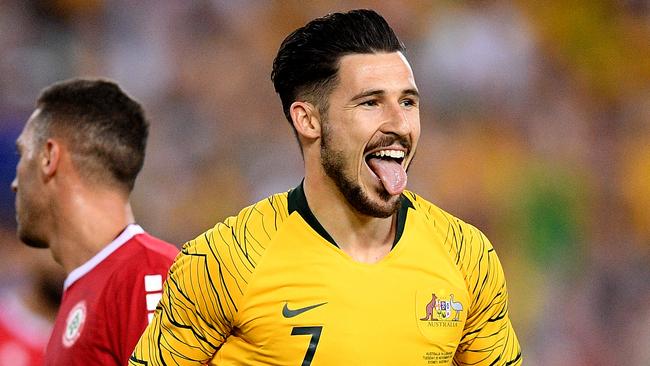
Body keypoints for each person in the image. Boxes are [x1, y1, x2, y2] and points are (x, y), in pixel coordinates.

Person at [130, 9, 521, 365]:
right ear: (308, 120)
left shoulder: (467, 256)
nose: (400, 124)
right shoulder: (224, 261)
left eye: (407, 102)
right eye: (370, 103)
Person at [12, 78, 179, 365]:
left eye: (23, 154)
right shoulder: (87, 289)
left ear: (49, 158)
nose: (15, 183)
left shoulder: (149, 275)